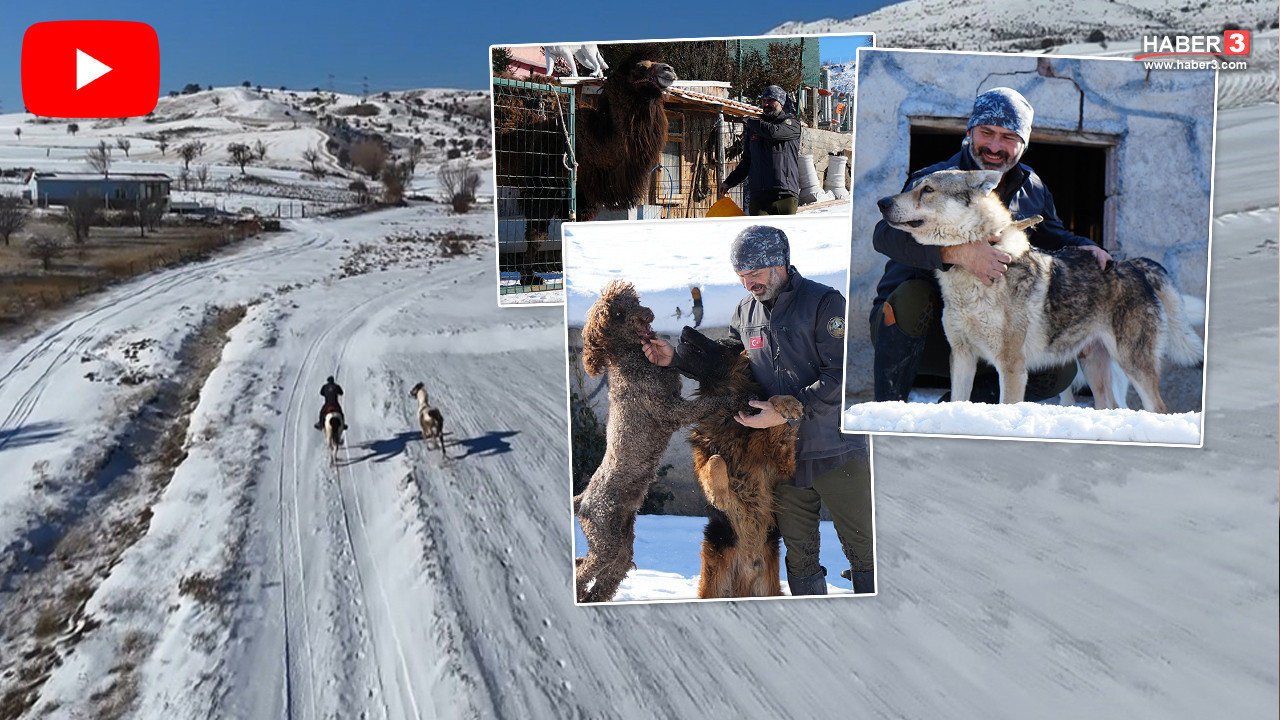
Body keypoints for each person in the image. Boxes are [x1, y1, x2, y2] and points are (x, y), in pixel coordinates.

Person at [644, 226, 875, 595]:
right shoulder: (746, 310)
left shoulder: (824, 303)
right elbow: (728, 366)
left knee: (867, 553)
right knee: (799, 560)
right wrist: (676, 359)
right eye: (741, 275)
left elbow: (841, 374)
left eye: (755, 273)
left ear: (780, 263)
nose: (748, 283)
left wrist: (785, 414)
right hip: (780, 463)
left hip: (836, 451)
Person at [870, 87, 1113, 402]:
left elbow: (1055, 235)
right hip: (914, 329)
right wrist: (956, 253)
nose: (995, 146)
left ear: (1023, 144)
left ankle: (962, 406)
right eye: (987, 133)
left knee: (1058, 370)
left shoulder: (1032, 187)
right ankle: (890, 409)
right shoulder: (932, 181)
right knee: (914, 296)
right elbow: (883, 235)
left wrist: (1086, 246)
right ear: (970, 132)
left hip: (991, 329)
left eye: (1009, 137)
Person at [718, 85, 802, 216]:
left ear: (780, 103)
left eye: (770, 100)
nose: (766, 104)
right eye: (764, 100)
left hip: (784, 194)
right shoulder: (755, 128)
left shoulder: (791, 123)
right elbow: (747, 162)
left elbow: (773, 132)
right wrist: (729, 182)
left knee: (784, 234)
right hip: (758, 196)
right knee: (759, 235)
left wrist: (751, 121)